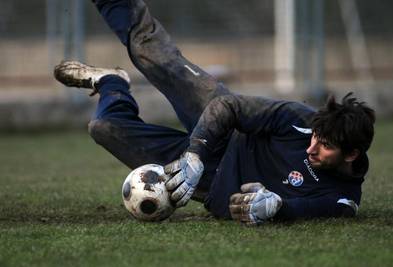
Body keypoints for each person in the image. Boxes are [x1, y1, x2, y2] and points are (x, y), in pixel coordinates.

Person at [54, 0, 376, 225]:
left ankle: (112, 84)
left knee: (103, 127)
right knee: (148, 52)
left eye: (325, 147)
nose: (311, 147)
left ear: (351, 154)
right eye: (316, 138)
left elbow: (297, 209)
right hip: (221, 125)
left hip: (211, 183)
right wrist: (195, 153)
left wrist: (274, 208)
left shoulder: (343, 199)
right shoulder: (300, 118)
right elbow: (230, 106)